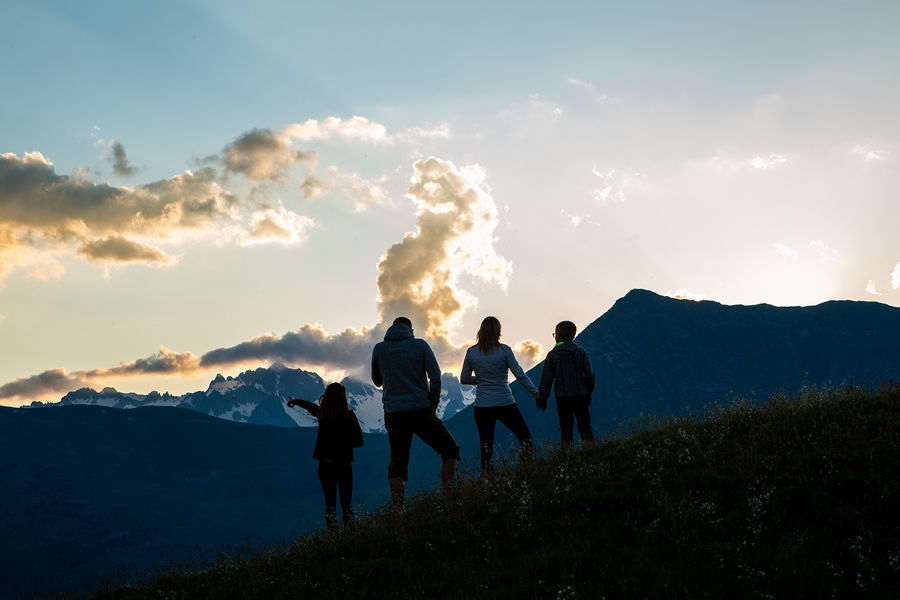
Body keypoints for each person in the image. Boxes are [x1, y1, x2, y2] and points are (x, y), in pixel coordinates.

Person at [371, 316, 461, 506]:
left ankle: (399, 511)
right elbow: (435, 376)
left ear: (391, 328)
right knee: (450, 449)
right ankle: (449, 497)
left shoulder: (379, 349)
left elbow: (377, 381)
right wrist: (433, 403)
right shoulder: (420, 345)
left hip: (394, 413)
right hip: (421, 410)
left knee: (398, 464)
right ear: (410, 330)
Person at [459, 316, 539, 473]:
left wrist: (481, 379)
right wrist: (536, 394)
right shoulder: (505, 351)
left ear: (480, 331)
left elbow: (464, 379)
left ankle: (489, 479)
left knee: (486, 445)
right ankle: (526, 469)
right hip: (505, 402)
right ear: (498, 331)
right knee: (525, 437)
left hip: (482, 406)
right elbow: (520, 375)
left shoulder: (472, 352)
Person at [287, 382, 364, 528]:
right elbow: (359, 442)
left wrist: (295, 402)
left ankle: (334, 538)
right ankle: (350, 535)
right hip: (344, 465)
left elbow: (310, 407)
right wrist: (345, 443)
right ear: (343, 398)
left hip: (325, 465)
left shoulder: (322, 415)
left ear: (327, 397)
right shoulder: (349, 416)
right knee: (346, 503)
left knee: (330, 504)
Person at [537, 320, 595, 445]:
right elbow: (590, 375)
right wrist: (588, 393)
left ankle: (567, 453)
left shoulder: (552, 356)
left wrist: (542, 399)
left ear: (558, 335)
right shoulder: (581, 353)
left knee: (566, 428)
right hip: (581, 395)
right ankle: (590, 450)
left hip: (562, 397)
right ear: (573, 335)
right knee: (584, 425)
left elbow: (546, 379)